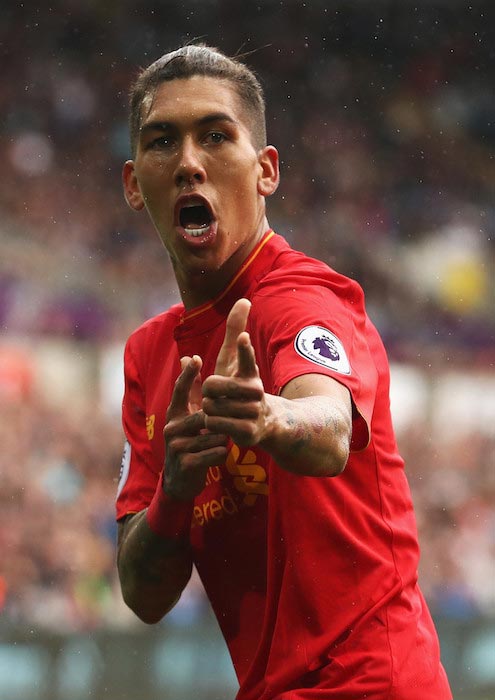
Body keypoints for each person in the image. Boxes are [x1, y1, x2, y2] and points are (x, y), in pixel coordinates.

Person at [116, 44, 452, 699]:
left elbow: (326, 429)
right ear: (134, 184)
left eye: (215, 136)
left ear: (265, 170)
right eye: (163, 142)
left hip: (372, 685)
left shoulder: (297, 298)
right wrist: (175, 490)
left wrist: (269, 415)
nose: (188, 163)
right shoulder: (147, 358)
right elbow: (143, 594)